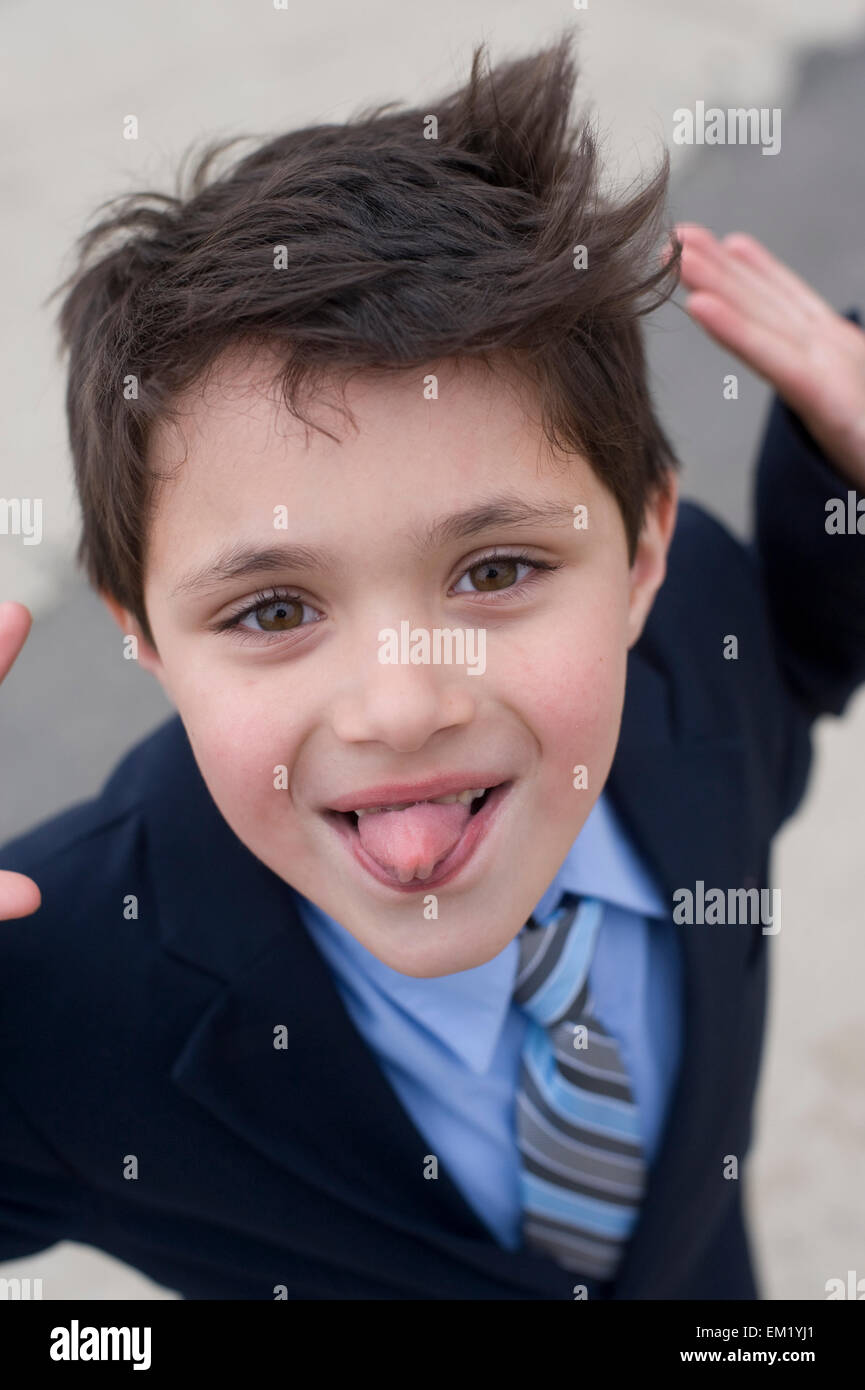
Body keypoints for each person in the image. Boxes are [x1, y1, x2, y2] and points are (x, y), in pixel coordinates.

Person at [1, 33, 863, 1300]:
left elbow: (801, 644)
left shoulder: (697, 668)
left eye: (497, 571)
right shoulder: (55, 987)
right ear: (139, 632)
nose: (403, 705)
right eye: (274, 607)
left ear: (640, 556)